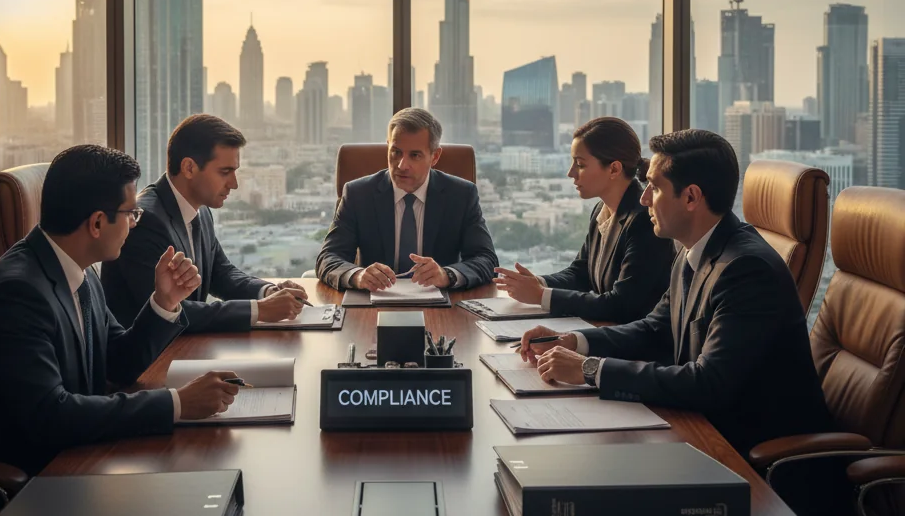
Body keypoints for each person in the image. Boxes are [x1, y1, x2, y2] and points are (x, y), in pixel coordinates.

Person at [519, 129, 831, 455]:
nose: (643, 198)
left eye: (653, 187)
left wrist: (590, 369)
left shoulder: (747, 269)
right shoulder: (692, 249)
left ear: (691, 197)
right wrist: (573, 341)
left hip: (753, 455)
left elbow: (708, 383)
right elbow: (656, 328)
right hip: (699, 427)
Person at [0, 145, 243, 474]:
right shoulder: (16, 294)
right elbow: (51, 416)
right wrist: (178, 403)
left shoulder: (77, 271)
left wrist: (164, 302)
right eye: (131, 214)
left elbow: (119, 361)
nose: (135, 224)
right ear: (97, 223)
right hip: (17, 486)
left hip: (75, 458)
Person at [102, 115, 309, 332]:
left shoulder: (201, 209)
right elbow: (171, 312)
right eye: (225, 172)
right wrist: (260, 310)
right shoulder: (145, 222)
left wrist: (268, 292)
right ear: (189, 168)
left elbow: (222, 273)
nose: (234, 184)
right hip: (150, 359)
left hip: (183, 349)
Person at [495, 117, 674, 323]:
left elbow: (621, 304)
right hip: (605, 329)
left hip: (631, 345)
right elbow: (581, 273)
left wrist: (541, 295)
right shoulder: (602, 209)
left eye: (580, 164)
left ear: (614, 169)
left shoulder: (643, 220)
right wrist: (536, 282)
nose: (570, 173)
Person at [316, 107, 497, 291]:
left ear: (435, 156)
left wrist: (447, 274)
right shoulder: (358, 194)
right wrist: (357, 275)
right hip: (374, 304)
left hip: (442, 306)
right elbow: (328, 258)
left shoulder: (461, 195)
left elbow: (486, 260)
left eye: (415, 155)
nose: (402, 165)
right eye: (395, 152)